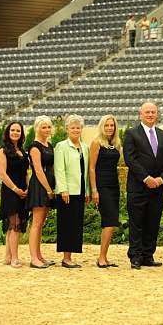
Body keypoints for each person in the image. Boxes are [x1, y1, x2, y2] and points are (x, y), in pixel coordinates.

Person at [123, 102, 163, 270]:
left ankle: (148, 255)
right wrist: (146, 178)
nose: (150, 114)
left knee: (153, 222)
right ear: (141, 114)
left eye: (153, 112)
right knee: (136, 223)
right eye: (147, 112)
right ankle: (135, 256)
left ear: (157, 114)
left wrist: (161, 179)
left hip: (158, 188)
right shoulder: (131, 134)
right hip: (138, 187)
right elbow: (130, 159)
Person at [54, 115, 91, 269]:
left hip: (80, 190)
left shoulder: (85, 147)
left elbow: (86, 171)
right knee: (66, 224)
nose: (76, 130)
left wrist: (87, 191)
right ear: (67, 129)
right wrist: (63, 189)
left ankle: (71, 256)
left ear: (81, 129)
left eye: (78, 127)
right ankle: (66, 258)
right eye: (72, 127)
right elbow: (59, 169)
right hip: (67, 192)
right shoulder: (61, 146)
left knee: (76, 224)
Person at [89, 115, 121, 268]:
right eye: (107, 125)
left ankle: (105, 257)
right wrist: (94, 189)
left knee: (112, 221)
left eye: (112, 125)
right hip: (102, 186)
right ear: (102, 126)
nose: (110, 128)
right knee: (109, 220)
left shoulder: (115, 144)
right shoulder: (97, 143)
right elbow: (92, 168)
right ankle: (101, 258)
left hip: (114, 185)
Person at [0, 121, 29, 268]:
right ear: (8, 133)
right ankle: (15, 258)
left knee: (13, 224)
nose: (15, 133)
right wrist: (16, 189)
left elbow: (25, 173)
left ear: (21, 133)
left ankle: (8, 257)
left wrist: (28, 188)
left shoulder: (22, 151)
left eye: (18, 130)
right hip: (11, 191)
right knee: (14, 223)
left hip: (22, 191)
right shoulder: (2, 151)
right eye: (13, 130)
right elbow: (2, 174)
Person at [26, 116, 56, 269]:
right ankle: (33, 258)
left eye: (49, 127)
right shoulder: (34, 147)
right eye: (43, 127)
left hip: (48, 184)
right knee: (36, 223)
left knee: (41, 223)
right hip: (40, 186)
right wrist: (49, 189)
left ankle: (39, 255)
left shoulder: (49, 145)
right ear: (37, 128)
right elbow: (38, 170)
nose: (47, 130)